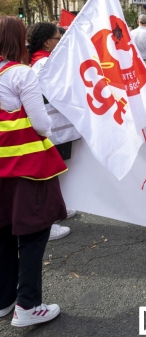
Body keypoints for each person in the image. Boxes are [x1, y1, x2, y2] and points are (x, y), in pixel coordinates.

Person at [0, 16, 67, 326]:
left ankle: (4, 300)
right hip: (26, 168)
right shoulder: (21, 74)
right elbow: (41, 124)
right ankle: (28, 305)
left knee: (2, 233)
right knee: (32, 233)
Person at [26, 22, 77, 241]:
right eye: (58, 38)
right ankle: (48, 221)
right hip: (52, 126)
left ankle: (57, 209)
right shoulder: (45, 63)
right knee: (50, 173)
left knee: (57, 171)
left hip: (52, 125)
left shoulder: (38, 61)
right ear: (47, 42)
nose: (60, 41)